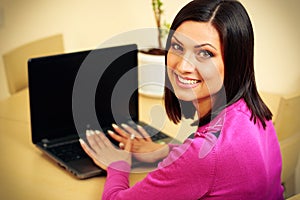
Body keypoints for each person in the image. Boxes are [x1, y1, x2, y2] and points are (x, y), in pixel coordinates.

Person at [79, 0, 284, 199]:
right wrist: (166, 151)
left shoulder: (205, 155)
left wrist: (118, 164)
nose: (183, 66)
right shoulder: (251, 111)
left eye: (204, 53)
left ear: (234, 62)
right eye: (177, 47)